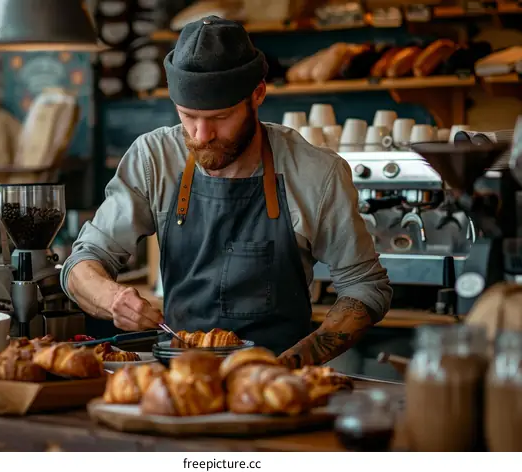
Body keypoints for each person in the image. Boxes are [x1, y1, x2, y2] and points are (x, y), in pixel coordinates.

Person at [60, 16, 392, 368]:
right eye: (188, 116)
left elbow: (365, 287)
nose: (201, 135)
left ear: (258, 95)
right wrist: (114, 299)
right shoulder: (154, 159)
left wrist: (297, 361)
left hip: (275, 382)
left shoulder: (315, 173)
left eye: (220, 117)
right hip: (179, 380)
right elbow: (81, 263)